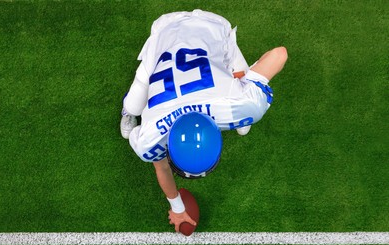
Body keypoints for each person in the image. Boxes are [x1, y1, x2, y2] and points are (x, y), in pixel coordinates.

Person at [120, 10, 288, 233]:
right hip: (168, 38)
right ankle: (127, 111)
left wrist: (178, 207)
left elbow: (161, 167)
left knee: (243, 111)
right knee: (132, 107)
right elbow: (280, 54)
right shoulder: (239, 107)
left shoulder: (151, 139)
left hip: (209, 31)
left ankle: (130, 109)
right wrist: (244, 85)